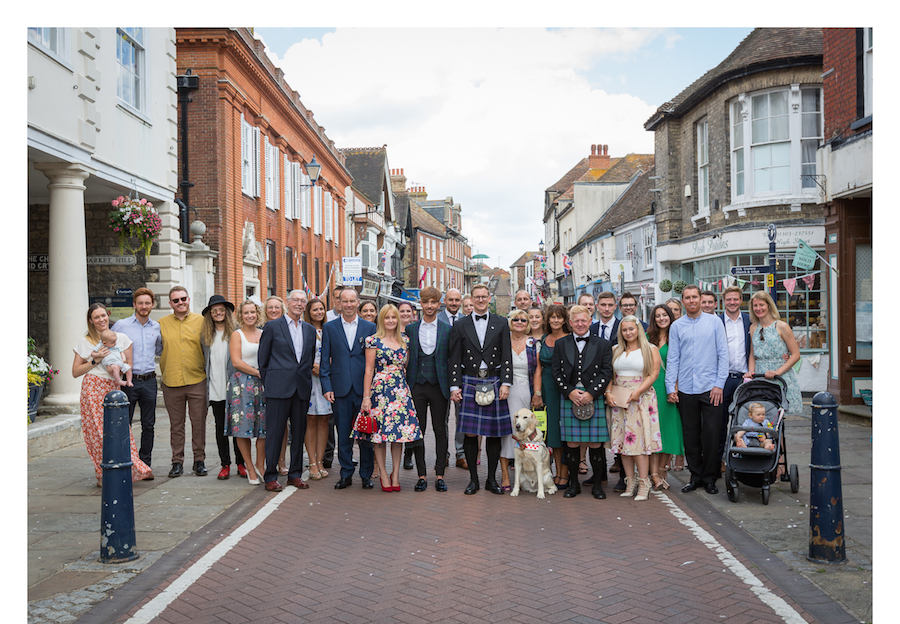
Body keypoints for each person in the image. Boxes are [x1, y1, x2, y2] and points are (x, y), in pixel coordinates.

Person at [72, 303, 153, 485]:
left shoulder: (122, 338)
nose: (101, 320)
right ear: (91, 321)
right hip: (93, 387)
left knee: (120, 429)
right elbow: (76, 371)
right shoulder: (86, 342)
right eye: (96, 317)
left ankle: (131, 466)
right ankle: (102, 472)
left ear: (108, 315)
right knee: (97, 431)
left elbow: (129, 364)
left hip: (113, 387)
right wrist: (96, 360)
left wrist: (118, 367)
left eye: (103, 315)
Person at [449, 283, 513, 495]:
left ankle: (491, 479)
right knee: (469, 433)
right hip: (469, 380)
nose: (480, 300)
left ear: (489, 298)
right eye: (477, 297)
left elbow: (506, 356)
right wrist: (454, 386)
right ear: (472, 299)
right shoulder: (460, 324)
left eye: (484, 297)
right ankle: (474, 480)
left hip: (494, 381)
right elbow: (454, 358)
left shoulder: (501, 322)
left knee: (494, 435)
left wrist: (506, 382)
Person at [666, 285, 729, 494]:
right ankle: (695, 476)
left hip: (711, 388)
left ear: (701, 299)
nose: (692, 301)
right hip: (685, 388)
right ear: (683, 301)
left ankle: (710, 477)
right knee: (690, 435)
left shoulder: (715, 322)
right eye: (687, 298)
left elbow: (723, 354)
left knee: (711, 434)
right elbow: (673, 358)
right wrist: (670, 387)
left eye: (695, 297)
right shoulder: (677, 326)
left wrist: (719, 384)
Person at [356, 305, 423, 492]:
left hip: (400, 391)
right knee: (379, 436)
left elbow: (406, 366)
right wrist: (366, 397)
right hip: (379, 390)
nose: (391, 321)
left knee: (397, 435)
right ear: (381, 320)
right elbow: (369, 369)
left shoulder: (406, 342)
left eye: (394, 317)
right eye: (387, 318)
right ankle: (383, 474)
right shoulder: (372, 341)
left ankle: (396, 473)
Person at [552, 305, 613, 499]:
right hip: (570, 397)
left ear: (590, 321)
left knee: (595, 444)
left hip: (592, 397)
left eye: (583, 320)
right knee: (572, 443)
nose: (580, 324)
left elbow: (606, 372)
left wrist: (592, 393)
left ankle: (597, 485)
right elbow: (556, 372)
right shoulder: (561, 344)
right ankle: (573, 484)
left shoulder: (602, 344)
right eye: (576, 321)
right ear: (570, 323)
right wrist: (569, 392)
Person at [257, 290, 317, 492]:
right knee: (274, 434)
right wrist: (271, 383)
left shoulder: (309, 330)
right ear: (288, 302)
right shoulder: (273, 327)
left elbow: (307, 360)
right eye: (296, 300)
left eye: (303, 301)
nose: (299, 304)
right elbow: (262, 361)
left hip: (301, 388)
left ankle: (295, 474)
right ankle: (271, 476)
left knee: (299, 433)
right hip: (278, 388)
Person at [321, 287, 377, 489]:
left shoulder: (370, 328)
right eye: (345, 301)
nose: (349, 305)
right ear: (339, 303)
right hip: (340, 389)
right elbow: (325, 361)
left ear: (358, 302)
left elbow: (374, 362)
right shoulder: (330, 328)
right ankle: (346, 473)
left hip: (364, 390)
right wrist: (326, 387)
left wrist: (371, 391)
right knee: (343, 434)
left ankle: (366, 474)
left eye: (352, 301)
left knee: (365, 435)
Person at [605, 316, 662, 501]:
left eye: (631, 329)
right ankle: (630, 482)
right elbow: (610, 375)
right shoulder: (615, 350)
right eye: (624, 330)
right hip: (620, 399)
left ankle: (644, 483)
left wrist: (638, 392)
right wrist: (608, 392)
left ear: (638, 329)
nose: (628, 333)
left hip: (640, 398)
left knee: (638, 444)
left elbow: (654, 373)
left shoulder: (650, 349)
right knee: (623, 444)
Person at [405, 287, 452, 492]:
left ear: (439, 304)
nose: (430, 306)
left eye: (434, 302)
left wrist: (453, 386)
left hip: (439, 385)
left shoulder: (447, 329)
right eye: (426, 302)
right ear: (421, 304)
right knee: (419, 430)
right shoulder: (411, 329)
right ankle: (422, 475)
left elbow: (451, 360)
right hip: (416, 385)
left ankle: (440, 474)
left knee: (441, 430)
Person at [159, 286, 209, 478]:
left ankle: (199, 461)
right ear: (170, 303)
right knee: (176, 425)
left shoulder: (202, 321)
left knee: (199, 424)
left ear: (189, 299)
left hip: (197, 380)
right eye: (176, 300)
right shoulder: (161, 324)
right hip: (171, 381)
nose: (180, 303)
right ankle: (177, 461)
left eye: (183, 299)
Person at [112, 287, 162, 468]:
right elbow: (111, 348)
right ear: (134, 304)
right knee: (125, 423)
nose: (144, 306)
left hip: (149, 380)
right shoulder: (121, 326)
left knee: (149, 425)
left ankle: (144, 463)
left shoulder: (156, 327)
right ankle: (126, 461)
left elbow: (159, 350)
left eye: (147, 303)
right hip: (128, 381)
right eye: (140, 303)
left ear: (152, 305)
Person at [200, 295, 245, 481]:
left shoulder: (236, 333)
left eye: (221, 310)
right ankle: (224, 464)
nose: (218, 313)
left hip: (234, 387)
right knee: (220, 428)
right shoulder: (206, 337)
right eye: (214, 311)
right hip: (215, 387)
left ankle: (241, 463)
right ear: (210, 315)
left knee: (237, 428)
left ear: (227, 312)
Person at [498, 309, 542, 491]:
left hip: (526, 391)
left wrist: (537, 394)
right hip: (504, 391)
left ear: (528, 323)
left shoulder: (533, 343)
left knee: (524, 433)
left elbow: (538, 370)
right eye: (515, 319)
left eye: (523, 320)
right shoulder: (502, 341)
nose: (519, 322)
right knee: (506, 433)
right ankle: (505, 475)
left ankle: (524, 474)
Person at [226, 300, 267, 485]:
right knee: (242, 427)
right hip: (242, 384)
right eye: (246, 313)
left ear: (258, 314)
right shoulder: (237, 335)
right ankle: (249, 466)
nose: (250, 315)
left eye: (253, 312)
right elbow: (236, 362)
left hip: (263, 385)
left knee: (263, 428)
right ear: (240, 315)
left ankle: (260, 464)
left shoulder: (265, 333)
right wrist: (259, 372)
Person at [745, 291, 803, 413]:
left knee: (779, 416)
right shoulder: (753, 327)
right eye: (755, 306)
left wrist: (777, 372)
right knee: (761, 414)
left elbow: (796, 354)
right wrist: (751, 371)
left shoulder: (781, 326)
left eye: (761, 305)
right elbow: (752, 354)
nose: (758, 308)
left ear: (769, 306)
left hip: (780, 375)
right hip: (760, 376)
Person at [646, 304, 683, 490]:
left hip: (670, 389)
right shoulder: (647, 337)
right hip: (651, 389)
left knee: (668, 432)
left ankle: (662, 470)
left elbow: (681, 364)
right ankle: (653, 473)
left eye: (665, 315)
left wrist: (674, 388)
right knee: (653, 432)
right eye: (658, 315)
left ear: (671, 317)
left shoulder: (676, 336)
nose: (662, 318)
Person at [534, 304, 571, 488]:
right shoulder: (543, 339)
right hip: (548, 389)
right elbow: (538, 369)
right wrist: (537, 393)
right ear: (547, 320)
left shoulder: (571, 339)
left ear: (565, 319)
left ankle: (566, 473)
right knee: (553, 434)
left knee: (566, 433)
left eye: (559, 317)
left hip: (566, 390)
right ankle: (557, 472)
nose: (555, 320)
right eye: (552, 317)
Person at [718, 286, 752, 466]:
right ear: (724, 301)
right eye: (729, 300)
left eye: (735, 299)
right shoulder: (716, 321)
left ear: (741, 300)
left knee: (743, 422)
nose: (732, 303)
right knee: (720, 422)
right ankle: (720, 462)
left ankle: (740, 460)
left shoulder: (749, 320)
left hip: (744, 379)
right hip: (722, 380)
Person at [303, 298, 332, 481]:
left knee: (324, 421)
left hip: (326, 381)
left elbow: (336, 353)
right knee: (311, 420)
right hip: (309, 381)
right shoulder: (306, 330)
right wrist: (311, 366)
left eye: (321, 309)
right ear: (309, 312)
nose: (319, 312)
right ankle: (312, 461)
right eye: (315, 309)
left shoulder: (329, 330)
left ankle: (320, 461)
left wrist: (325, 367)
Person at [437, 288, 466, 469]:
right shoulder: (437, 319)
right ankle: (444, 454)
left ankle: (460, 453)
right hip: (441, 374)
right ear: (444, 301)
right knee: (442, 418)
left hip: (462, 376)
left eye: (457, 300)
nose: (454, 303)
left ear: (460, 301)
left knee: (461, 417)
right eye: (450, 300)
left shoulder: (466, 320)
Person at [663, 297, 685, 472]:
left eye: (675, 310)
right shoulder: (659, 333)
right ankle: (667, 455)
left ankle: (680, 455)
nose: (672, 313)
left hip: (683, 381)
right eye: (668, 310)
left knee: (682, 421)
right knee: (668, 421)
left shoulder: (682, 329)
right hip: (663, 382)